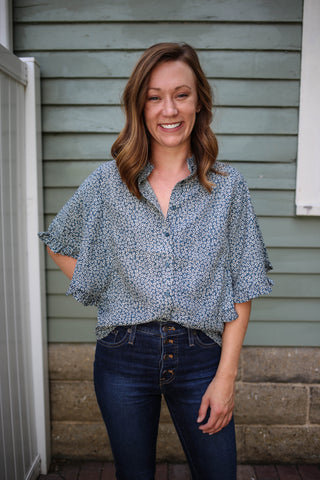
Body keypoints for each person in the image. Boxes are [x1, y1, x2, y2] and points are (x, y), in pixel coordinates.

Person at [39, 43, 273, 480]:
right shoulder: (109, 182)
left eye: (181, 94)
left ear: (199, 100)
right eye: (154, 96)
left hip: (202, 357)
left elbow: (244, 283)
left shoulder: (227, 186)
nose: (169, 109)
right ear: (139, 105)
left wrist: (226, 378)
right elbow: (59, 241)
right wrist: (113, 292)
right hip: (122, 357)